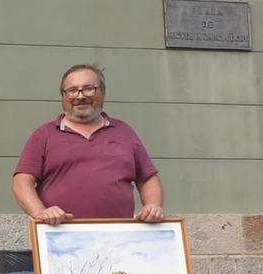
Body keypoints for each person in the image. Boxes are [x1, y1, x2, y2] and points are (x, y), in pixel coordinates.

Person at [12, 64, 164, 224]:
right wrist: (40, 212)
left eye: (88, 88)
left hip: (118, 237)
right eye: (72, 90)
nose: (80, 96)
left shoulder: (124, 131)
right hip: (58, 235)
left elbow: (148, 178)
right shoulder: (44, 134)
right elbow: (22, 181)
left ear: (102, 92)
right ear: (63, 96)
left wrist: (153, 206)